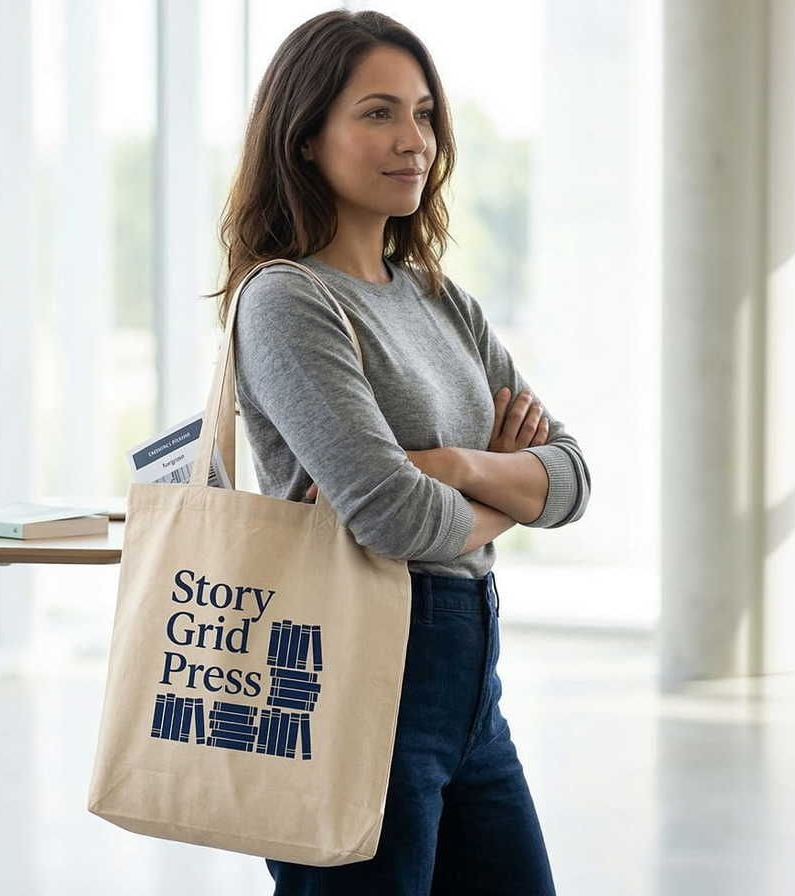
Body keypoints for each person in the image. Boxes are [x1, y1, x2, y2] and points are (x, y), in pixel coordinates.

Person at [203, 9, 592, 894]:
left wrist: (452, 467)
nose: (411, 140)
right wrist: (507, 494)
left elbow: (573, 476)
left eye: (422, 114)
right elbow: (390, 515)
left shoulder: (438, 298)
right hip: (350, 679)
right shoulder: (287, 302)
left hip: (470, 688)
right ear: (306, 138)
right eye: (377, 113)